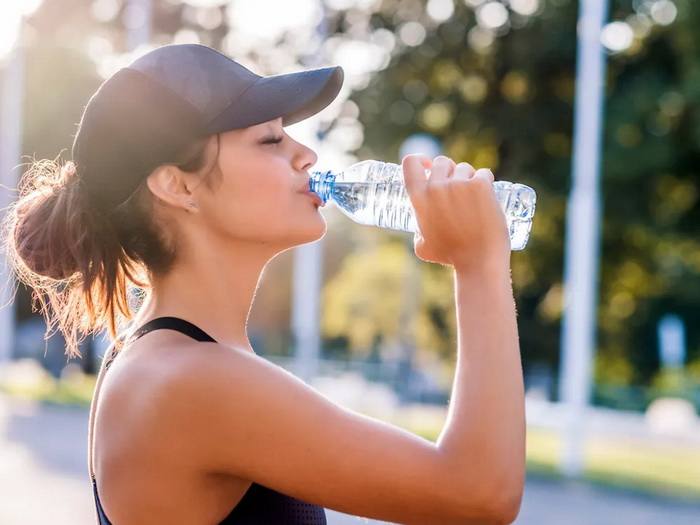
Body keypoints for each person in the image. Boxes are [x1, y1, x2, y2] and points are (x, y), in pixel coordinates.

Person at [3, 44, 525, 524]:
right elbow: (478, 495)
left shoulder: (173, 360)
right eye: (271, 139)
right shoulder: (188, 380)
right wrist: (478, 264)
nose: (307, 155)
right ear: (179, 185)